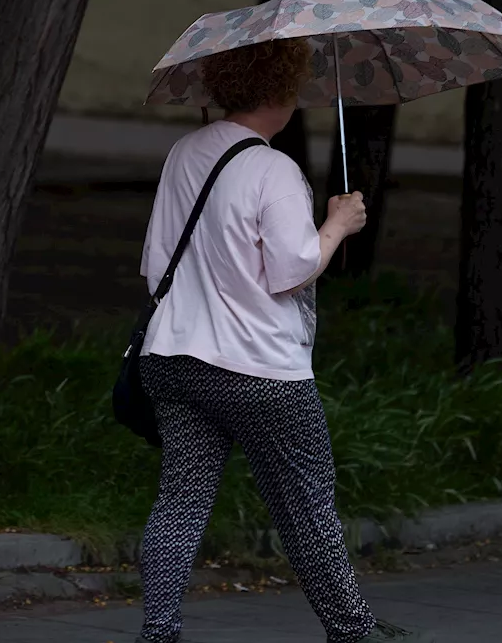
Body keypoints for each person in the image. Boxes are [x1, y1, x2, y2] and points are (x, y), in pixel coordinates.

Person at [135, 37, 432, 643]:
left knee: (180, 503)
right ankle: (353, 631)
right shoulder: (273, 168)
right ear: (281, 93)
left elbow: (153, 265)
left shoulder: (184, 153)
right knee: (307, 503)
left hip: (174, 357)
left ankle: (158, 632)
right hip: (260, 372)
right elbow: (291, 268)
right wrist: (338, 224)